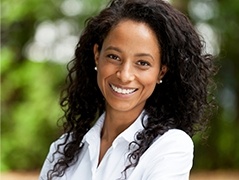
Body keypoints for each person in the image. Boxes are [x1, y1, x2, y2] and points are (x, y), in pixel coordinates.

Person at [39, 0, 216, 179]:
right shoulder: (62, 151)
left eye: (142, 63)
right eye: (114, 57)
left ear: (161, 72)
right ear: (97, 56)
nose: (124, 75)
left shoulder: (170, 147)